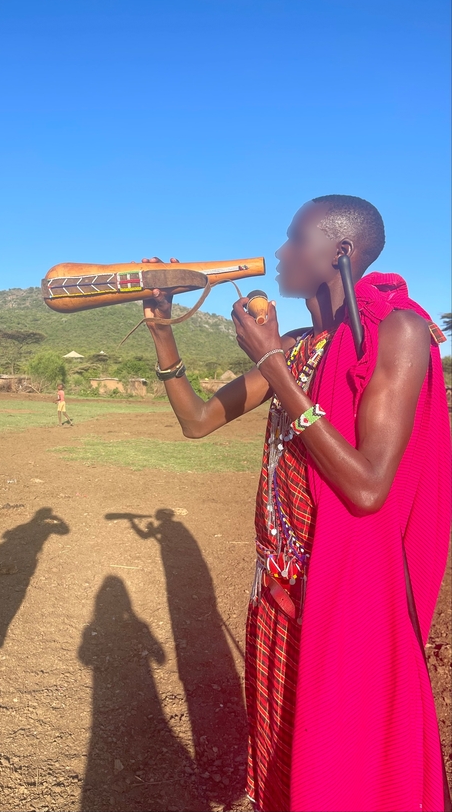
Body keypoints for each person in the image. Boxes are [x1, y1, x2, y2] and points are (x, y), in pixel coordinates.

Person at [140, 195, 451, 812]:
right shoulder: (304, 346)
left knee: (339, 763)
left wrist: (272, 364)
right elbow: (199, 421)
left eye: (294, 240)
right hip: (278, 594)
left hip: (340, 595)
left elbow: (367, 488)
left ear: (340, 252)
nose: (280, 254)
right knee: (283, 755)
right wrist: (164, 335)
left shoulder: (401, 332)